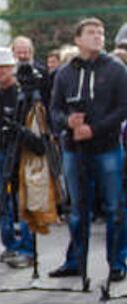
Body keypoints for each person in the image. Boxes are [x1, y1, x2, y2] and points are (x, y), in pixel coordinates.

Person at [48, 17, 127, 281]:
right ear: (78, 39)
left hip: (107, 148)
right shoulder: (65, 72)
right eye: (91, 32)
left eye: (101, 33)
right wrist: (67, 123)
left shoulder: (116, 69)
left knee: (115, 207)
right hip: (74, 149)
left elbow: (123, 108)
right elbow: (54, 109)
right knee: (78, 209)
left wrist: (96, 129)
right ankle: (75, 262)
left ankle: (117, 263)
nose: (98, 36)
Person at [0, 46, 37, 268]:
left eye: (3, 67)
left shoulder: (20, 93)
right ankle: (10, 246)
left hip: (18, 153)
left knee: (22, 201)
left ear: (12, 68)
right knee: (2, 201)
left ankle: (26, 248)